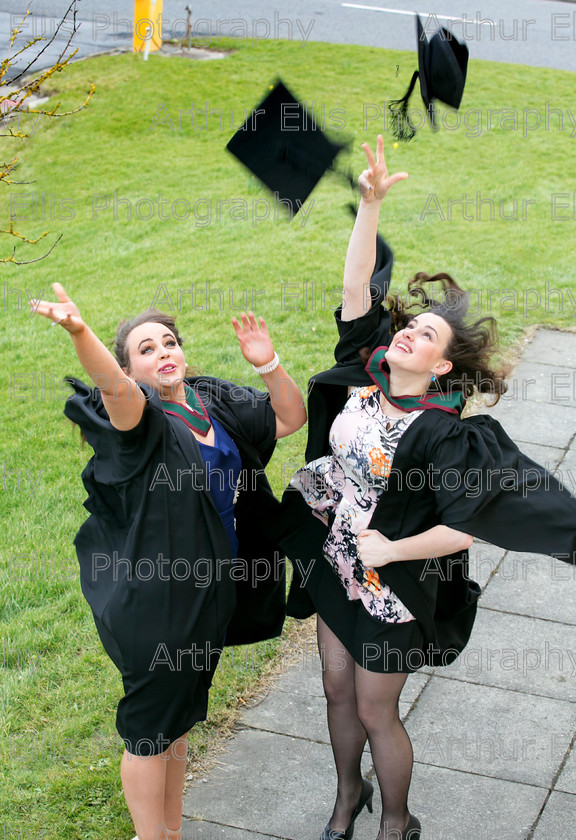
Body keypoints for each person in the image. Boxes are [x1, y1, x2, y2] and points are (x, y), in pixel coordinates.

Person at [278, 135, 576, 840]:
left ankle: (396, 821)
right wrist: (369, 207)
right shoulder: (365, 369)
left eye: (426, 334)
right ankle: (345, 801)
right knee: (335, 689)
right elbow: (356, 290)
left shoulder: (446, 431)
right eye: (412, 325)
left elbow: (466, 524)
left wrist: (392, 550)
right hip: (336, 557)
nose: (408, 334)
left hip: (397, 581)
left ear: (443, 367)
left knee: (378, 710)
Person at [32, 284, 306, 840]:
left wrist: (270, 364)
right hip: (158, 602)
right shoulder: (141, 424)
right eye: (147, 349)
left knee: (177, 727)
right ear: (132, 369)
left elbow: (288, 418)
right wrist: (81, 333)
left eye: (169, 342)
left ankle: (171, 833)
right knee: (149, 732)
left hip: (210, 594)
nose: (163, 353)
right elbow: (113, 389)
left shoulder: (210, 404)